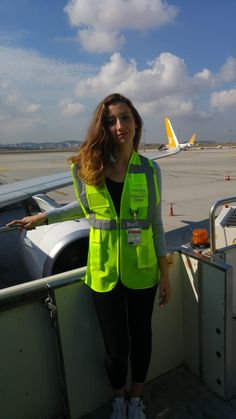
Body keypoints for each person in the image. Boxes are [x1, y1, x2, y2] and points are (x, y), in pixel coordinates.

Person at [7, 93, 171, 419]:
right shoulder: (89, 169)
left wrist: (165, 273)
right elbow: (82, 208)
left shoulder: (150, 170)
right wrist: (44, 217)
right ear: (104, 127)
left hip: (142, 271)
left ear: (136, 122)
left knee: (141, 338)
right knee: (114, 348)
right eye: (111, 120)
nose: (119, 125)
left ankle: (136, 399)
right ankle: (119, 399)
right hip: (104, 273)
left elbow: (155, 223)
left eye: (125, 117)